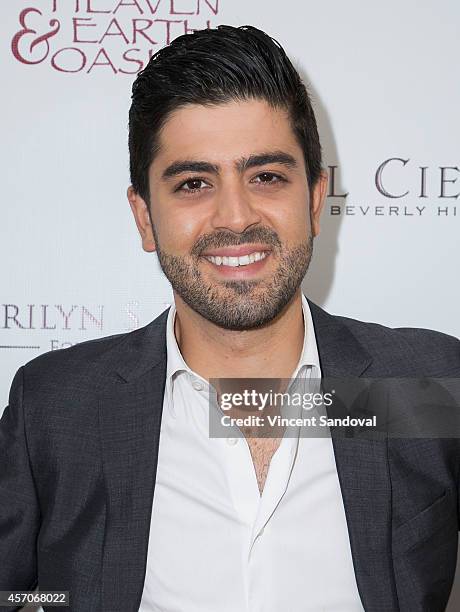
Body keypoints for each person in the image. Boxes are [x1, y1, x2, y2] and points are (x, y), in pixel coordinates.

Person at [1, 24, 459, 612]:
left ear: (315, 199)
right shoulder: (58, 404)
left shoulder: (420, 384)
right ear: (144, 217)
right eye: (194, 183)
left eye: (266, 176)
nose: (235, 217)